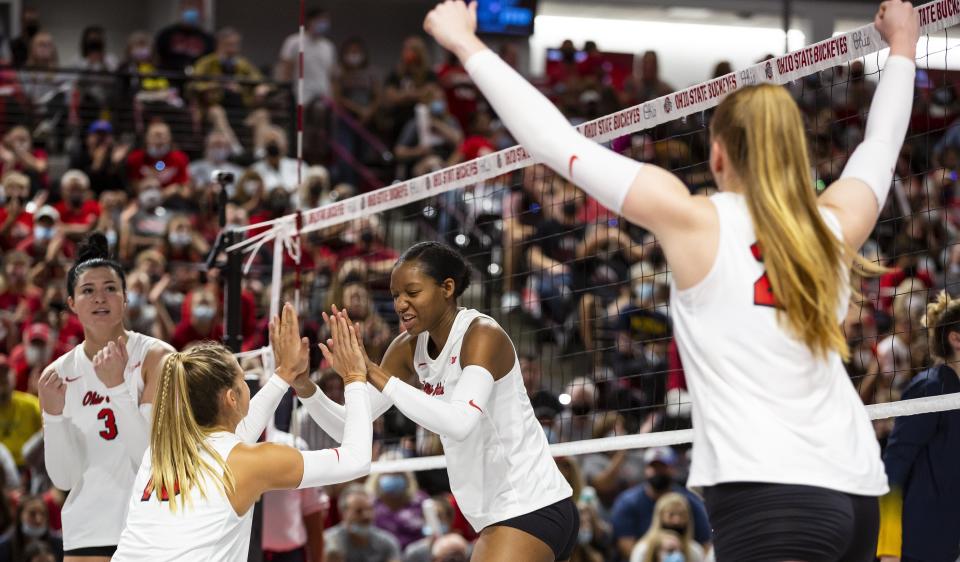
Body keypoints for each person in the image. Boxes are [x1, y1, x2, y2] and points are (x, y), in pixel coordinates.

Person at [422, 0, 919, 559]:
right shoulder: (833, 225)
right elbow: (881, 145)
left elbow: (553, 142)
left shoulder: (694, 220)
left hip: (769, 492)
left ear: (718, 153)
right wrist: (902, 45)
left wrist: (467, 43)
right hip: (854, 492)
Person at [301, 241, 577, 562]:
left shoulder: (482, 334)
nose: (401, 303)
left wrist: (371, 372)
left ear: (447, 288)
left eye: (412, 292)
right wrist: (302, 385)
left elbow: (459, 422)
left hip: (530, 505)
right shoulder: (407, 347)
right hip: (499, 514)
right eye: (395, 295)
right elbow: (349, 425)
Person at [112, 303, 372, 560]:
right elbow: (356, 460)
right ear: (231, 398)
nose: (248, 383)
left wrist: (284, 375)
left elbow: (235, 436)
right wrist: (354, 377)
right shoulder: (247, 462)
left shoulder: (162, 450)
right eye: (243, 377)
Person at [37, 233, 175, 560]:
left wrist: (116, 388)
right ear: (71, 303)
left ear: (126, 298)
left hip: (149, 526)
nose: (100, 298)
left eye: (110, 288)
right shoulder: (58, 374)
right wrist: (53, 418)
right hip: (87, 530)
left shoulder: (158, 357)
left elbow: (149, 458)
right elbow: (64, 478)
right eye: (88, 291)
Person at [877, 291, 960, 562]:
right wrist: (888, 550)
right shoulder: (931, 388)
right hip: (919, 547)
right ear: (956, 339)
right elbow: (893, 468)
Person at [610, 448, 710, 559]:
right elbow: (626, 547)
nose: (676, 520)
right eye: (654, 467)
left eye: (662, 467)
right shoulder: (628, 502)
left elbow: (706, 544)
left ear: (673, 469)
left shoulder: (690, 502)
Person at [324, 484, 402, 562]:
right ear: (344, 514)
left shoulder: (388, 543)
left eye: (369, 509)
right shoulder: (329, 541)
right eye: (359, 511)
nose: (366, 516)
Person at [629, 494, 706, 562]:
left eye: (682, 514)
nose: (677, 521)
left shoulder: (694, 551)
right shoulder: (643, 550)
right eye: (671, 515)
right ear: (660, 517)